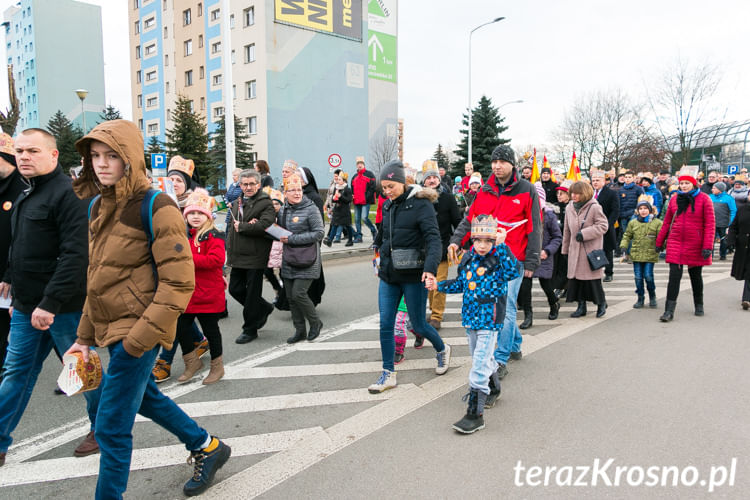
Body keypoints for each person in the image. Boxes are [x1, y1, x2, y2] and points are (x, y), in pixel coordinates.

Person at [65, 119, 230, 498]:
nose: (101, 164)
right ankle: (207, 446)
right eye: (94, 156)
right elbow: (97, 277)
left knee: (110, 426)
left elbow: (178, 282)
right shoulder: (96, 206)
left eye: (111, 156)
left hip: (138, 330)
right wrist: (83, 338)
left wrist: (137, 341)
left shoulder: (159, 206)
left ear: (131, 158)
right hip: (110, 328)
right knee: (144, 398)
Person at [0, 129, 101, 467]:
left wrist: (50, 303)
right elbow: (21, 246)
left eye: (33, 151)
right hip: (27, 305)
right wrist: (10, 279)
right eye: (19, 151)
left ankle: (102, 428)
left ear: (53, 155)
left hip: (64, 307)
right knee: (16, 373)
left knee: (80, 370)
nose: (24, 156)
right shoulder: (28, 192)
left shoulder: (69, 195)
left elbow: (76, 256)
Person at [447, 145, 542, 380]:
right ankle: (515, 344)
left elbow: (535, 227)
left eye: (502, 161)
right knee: (502, 305)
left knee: (505, 306)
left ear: (512, 165)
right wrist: (456, 241)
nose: (497, 166)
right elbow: (470, 220)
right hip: (485, 260)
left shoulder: (526, 189)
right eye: (494, 161)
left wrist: (531, 262)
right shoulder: (485, 190)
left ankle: (499, 359)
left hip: (514, 260)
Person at [427, 215, 520, 434]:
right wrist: (437, 285)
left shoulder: (500, 258)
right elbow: (461, 283)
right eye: (478, 240)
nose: (482, 245)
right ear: (472, 240)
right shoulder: (468, 258)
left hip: (490, 319)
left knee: (478, 364)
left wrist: (502, 246)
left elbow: (512, 273)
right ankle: (494, 387)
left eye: (488, 241)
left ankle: (475, 414)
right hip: (471, 317)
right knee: (483, 357)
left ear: (494, 240)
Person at [368, 160, 452, 393]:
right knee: (386, 323)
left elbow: (434, 239)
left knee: (418, 324)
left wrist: (430, 268)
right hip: (388, 275)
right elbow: (384, 236)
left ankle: (442, 348)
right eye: (383, 187)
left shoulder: (421, 204)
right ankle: (388, 373)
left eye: (390, 186)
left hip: (414, 275)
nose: (386, 192)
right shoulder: (387, 205)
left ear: (402, 182)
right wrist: (377, 253)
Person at [175, 189, 227, 385]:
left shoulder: (215, 235)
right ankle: (192, 363)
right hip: (188, 293)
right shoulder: (183, 235)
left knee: (211, 331)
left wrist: (187, 259)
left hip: (208, 293)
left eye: (200, 213)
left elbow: (216, 260)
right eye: (191, 213)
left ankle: (217, 366)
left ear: (207, 216)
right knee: (180, 328)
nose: (195, 217)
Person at [655, 167, 715, 322]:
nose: (684, 186)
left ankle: (699, 304)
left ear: (694, 184)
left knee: (696, 276)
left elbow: (710, 224)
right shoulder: (674, 199)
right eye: (682, 183)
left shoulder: (704, 199)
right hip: (676, 243)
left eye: (687, 183)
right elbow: (667, 222)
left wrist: (707, 246)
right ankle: (669, 311)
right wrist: (659, 242)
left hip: (696, 243)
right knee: (674, 277)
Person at [226, 170, 276, 343]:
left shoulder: (265, 203)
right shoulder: (236, 202)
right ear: (240, 185)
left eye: (252, 184)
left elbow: (266, 225)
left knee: (252, 295)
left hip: (255, 255)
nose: (248, 187)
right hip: (237, 255)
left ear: (258, 185)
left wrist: (246, 227)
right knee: (234, 289)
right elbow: (232, 227)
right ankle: (264, 308)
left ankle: (250, 329)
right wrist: (228, 247)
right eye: (245, 184)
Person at [278, 174, 326, 343]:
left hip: (308, 258)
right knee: (290, 297)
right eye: (292, 190)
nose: (297, 193)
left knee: (299, 294)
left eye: (299, 189)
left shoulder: (311, 208)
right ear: (285, 192)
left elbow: (319, 233)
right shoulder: (283, 209)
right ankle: (300, 330)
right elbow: (280, 230)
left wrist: (292, 239)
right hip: (289, 258)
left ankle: (315, 323)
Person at [561, 181, 609, 318]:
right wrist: (565, 250)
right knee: (577, 281)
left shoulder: (594, 207)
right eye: (572, 193)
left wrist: (585, 233)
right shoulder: (570, 207)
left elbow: (603, 226)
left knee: (592, 281)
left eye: (577, 193)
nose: (574, 196)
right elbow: (566, 230)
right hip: (574, 250)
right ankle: (581, 306)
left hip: (590, 251)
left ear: (585, 193)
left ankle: (601, 303)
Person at [422, 163, 462, 330]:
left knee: (439, 282)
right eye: (428, 178)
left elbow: (458, 222)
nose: (432, 180)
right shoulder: (419, 198)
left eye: (434, 177)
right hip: (423, 248)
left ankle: (437, 315)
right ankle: (432, 310)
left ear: (439, 179)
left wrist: (460, 243)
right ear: (424, 181)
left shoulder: (448, 198)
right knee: (428, 283)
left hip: (442, 246)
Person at [517, 184, 562, 328]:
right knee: (525, 286)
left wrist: (547, 251)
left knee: (546, 285)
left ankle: (553, 302)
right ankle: (528, 316)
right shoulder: (523, 214)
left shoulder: (549, 216)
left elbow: (557, 237)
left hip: (543, 255)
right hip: (527, 254)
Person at [0, 133, 24, 382]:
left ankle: (83, 377)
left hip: (16, 276)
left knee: (58, 336)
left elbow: (22, 237)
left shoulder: (24, 187)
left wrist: (9, 274)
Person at [620, 195, 663, 308]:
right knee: (638, 277)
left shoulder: (657, 222)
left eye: (645, 208)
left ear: (650, 209)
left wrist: (661, 246)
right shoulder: (633, 222)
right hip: (636, 253)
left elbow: (662, 236)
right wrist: (624, 246)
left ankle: (652, 296)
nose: (643, 211)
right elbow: (627, 235)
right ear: (637, 210)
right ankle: (640, 297)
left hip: (650, 253)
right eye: (641, 209)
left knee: (648, 276)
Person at [591, 170, 620, 282]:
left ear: (603, 181)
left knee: (607, 250)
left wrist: (608, 224)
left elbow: (615, 210)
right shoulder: (589, 193)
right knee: (593, 249)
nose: (595, 182)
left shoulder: (611, 193)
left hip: (606, 225)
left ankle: (608, 272)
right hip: (592, 226)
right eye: (593, 180)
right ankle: (595, 270)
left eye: (597, 180)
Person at [727, 190, 750, 309]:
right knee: (746, 272)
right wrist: (730, 241)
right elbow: (733, 226)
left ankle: (746, 298)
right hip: (743, 246)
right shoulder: (742, 209)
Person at [324, 170, 355, 247]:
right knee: (334, 224)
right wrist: (335, 198)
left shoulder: (347, 189)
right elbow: (334, 199)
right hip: (337, 209)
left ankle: (350, 240)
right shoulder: (336, 188)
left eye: (339, 179)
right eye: (337, 180)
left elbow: (349, 200)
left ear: (344, 180)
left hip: (344, 211)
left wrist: (341, 196)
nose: (338, 181)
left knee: (348, 226)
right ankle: (330, 241)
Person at [350, 157, 377, 242]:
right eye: (358, 164)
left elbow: (373, 187)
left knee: (364, 218)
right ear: (356, 166)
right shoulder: (354, 177)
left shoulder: (370, 174)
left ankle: (373, 230)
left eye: (361, 164)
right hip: (357, 201)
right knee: (357, 219)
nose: (359, 165)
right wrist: (352, 195)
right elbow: (352, 188)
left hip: (366, 201)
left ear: (363, 165)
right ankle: (359, 236)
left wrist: (366, 197)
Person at [709, 181, 737, 261]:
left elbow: (733, 211)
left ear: (720, 189)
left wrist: (731, 223)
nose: (712, 189)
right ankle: (710, 255)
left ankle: (723, 255)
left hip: (724, 223)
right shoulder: (710, 197)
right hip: (712, 223)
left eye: (714, 188)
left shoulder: (728, 198)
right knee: (711, 240)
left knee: (723, 240)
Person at [616, 171, 644, 247]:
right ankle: (627, 252)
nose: (627, 179)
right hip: (623, 215)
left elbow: (642, 201)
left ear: (633, 178)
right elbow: (618, 203)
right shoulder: (621, 189)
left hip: (633, 215)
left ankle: (634, 250)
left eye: (629, 177)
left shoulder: (638, 189)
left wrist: (637, 212)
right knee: (626, 234)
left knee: (634, 233)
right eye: (626, 177)